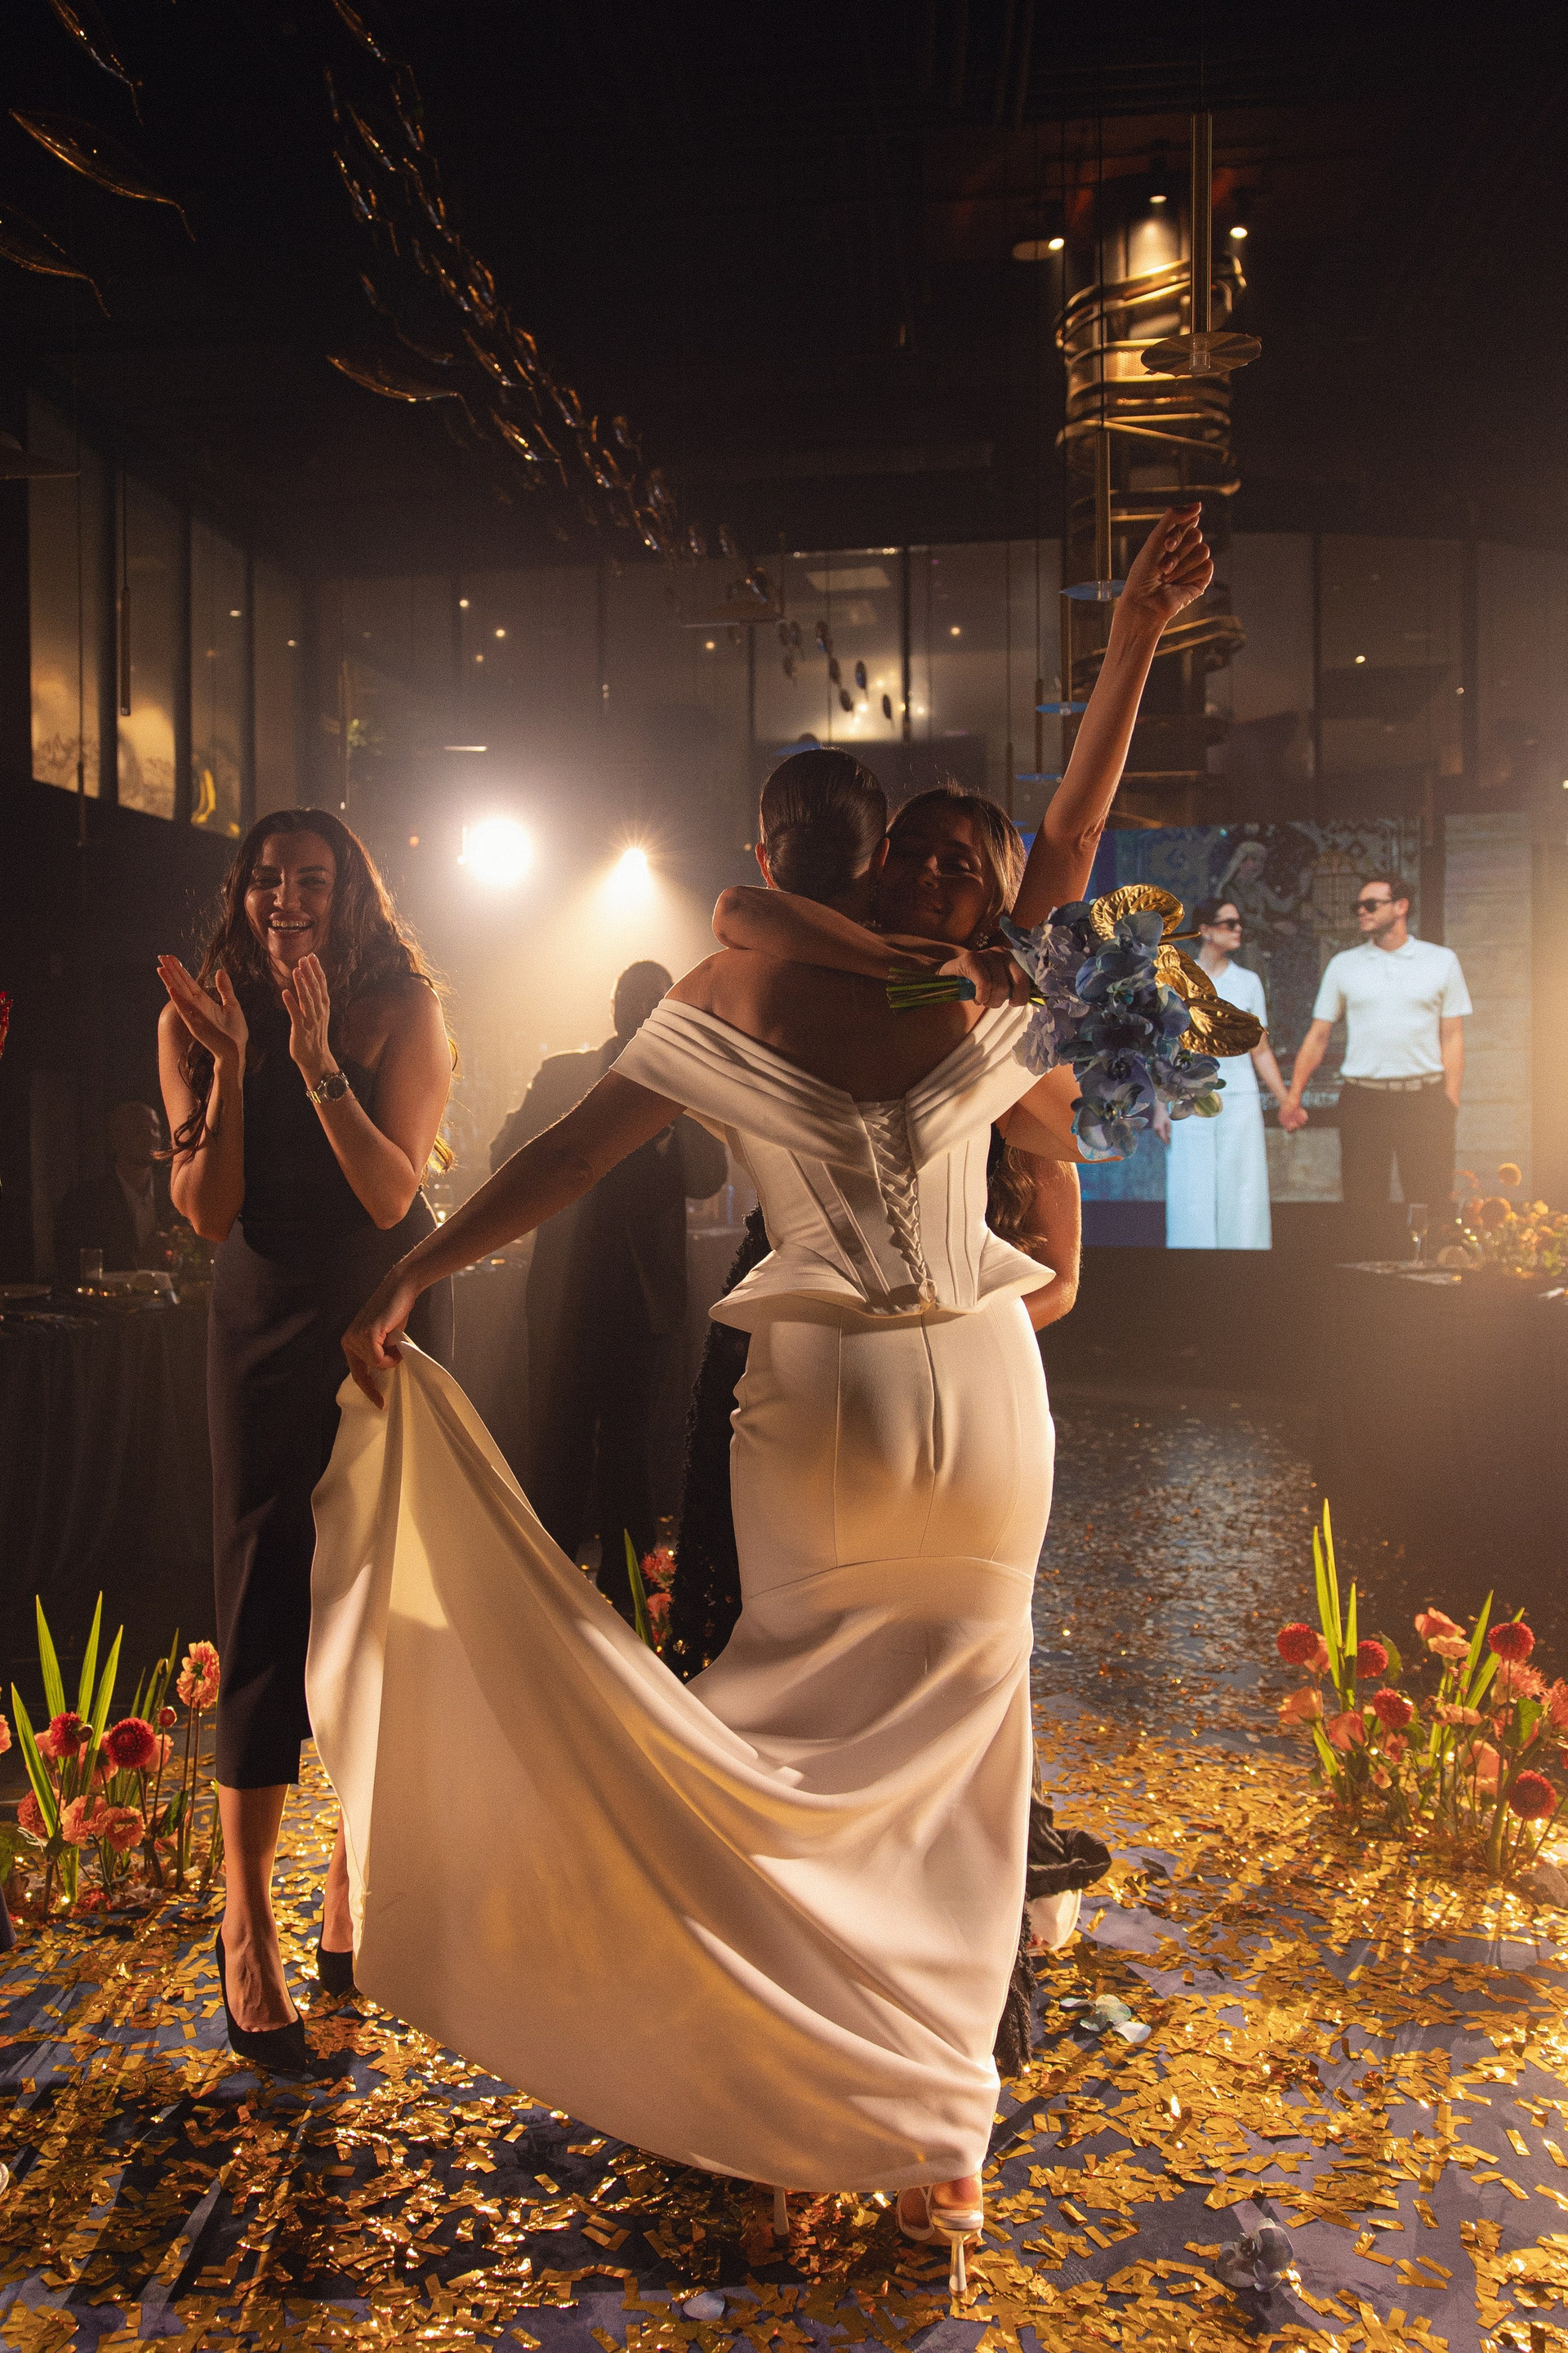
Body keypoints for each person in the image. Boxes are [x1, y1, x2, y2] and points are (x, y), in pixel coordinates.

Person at [313, 505, 1209, 2279]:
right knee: (780, 1763)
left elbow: (1074, 830)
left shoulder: (997, 986)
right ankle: (784, 2116)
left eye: (967, 855)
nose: (943, 866)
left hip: (986, 1445)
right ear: (864, 878)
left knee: (965, 1793)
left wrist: (1128, 648)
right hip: (813, 1433)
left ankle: (937, 2134)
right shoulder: (752, 977)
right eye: (917, 848)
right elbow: (576, 1149)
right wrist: (418, 1268)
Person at [157, 808, 453, 2071]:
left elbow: (391, 1194)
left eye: (313, 879)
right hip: (262, 1325)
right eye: (267, 878)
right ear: (242, 892)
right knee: (266, 1600)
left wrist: (320, 1058)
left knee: (384, 1608)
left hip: (385, 1315)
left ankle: (346, 1894)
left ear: (353, 895)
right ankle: (246, 1933)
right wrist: (234, 1068)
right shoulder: (193, 1018)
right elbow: (208, 1212)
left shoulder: (403, 1007)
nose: (286, 898)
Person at [488, 964, 728, 1616]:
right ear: (614, 1006)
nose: (645, 1010)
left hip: (645, 1308)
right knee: (555, 1452)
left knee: (631, 1456)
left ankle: (632, 1606)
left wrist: (673, 1119)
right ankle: (546, 1601)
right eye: (634, 999)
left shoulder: (686, 1086)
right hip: (563, 1300)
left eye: (657, 1000)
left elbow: (709, 1178)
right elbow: (504, 1156)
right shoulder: (563, 1076)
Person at [1279, 871, 1471, 1251]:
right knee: (1363, 1207)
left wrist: (1450, 1099)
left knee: (1432, 1200)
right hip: (1364, 1100)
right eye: (1358, 906)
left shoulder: (1441, 961)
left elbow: (1452, 1036)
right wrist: (1293, 1095)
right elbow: (1318, 1036)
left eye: (1370, 905)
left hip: (1424, 1098)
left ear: (1401, 907)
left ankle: (1430, 1283)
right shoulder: (1344, 965)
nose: (1361, 912)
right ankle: (1367, 1284)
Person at [1154, 898, 1291, 1250]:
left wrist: (1286, 1100)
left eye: (1239, 922)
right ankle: (1191, 1261)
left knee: (1243, 1184)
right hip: (1188, 1097)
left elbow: (1260, 1049)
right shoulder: (1177, 980)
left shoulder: (1248, 982)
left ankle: (1245, 1259)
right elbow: (1164, 1048)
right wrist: (1159, 1107)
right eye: (1229, 924)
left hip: (1240, 1097)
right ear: (1205, 931)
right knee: (1191, 1183)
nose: (1238, 929)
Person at [52, 1099, 175, 1278]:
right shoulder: (84, 1202)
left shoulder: (173, 1194)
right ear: (116, 1139)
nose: (150, 1135)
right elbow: (73, 1267)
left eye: (154, 1128)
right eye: (139, 1130)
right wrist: (137, 1261)